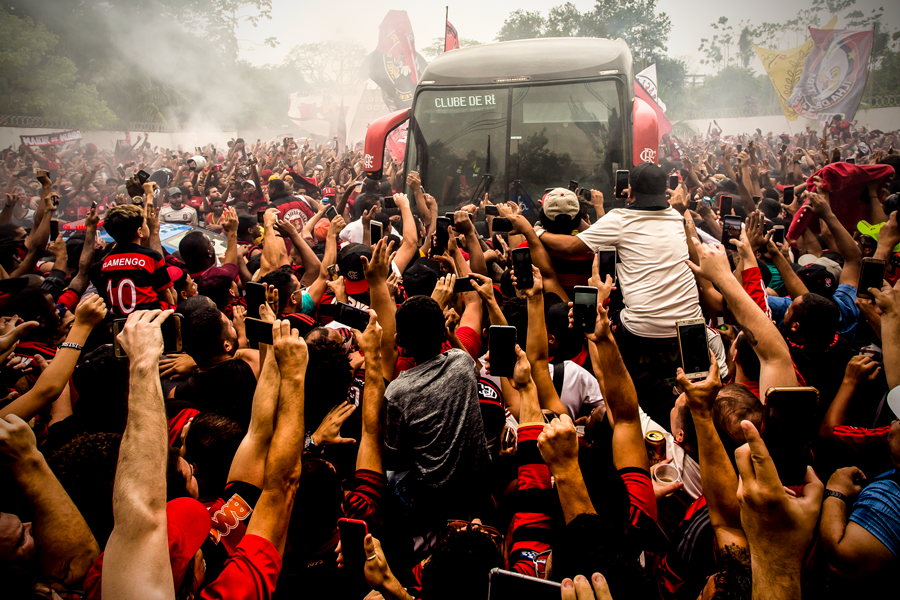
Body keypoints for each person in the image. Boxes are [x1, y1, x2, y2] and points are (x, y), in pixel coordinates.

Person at [97, 200, 172, 316]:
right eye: (145, 224)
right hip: (149, 318)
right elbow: (166, 293)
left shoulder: (107, 260)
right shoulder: (151, 257)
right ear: (139, 232)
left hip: (120, 322)